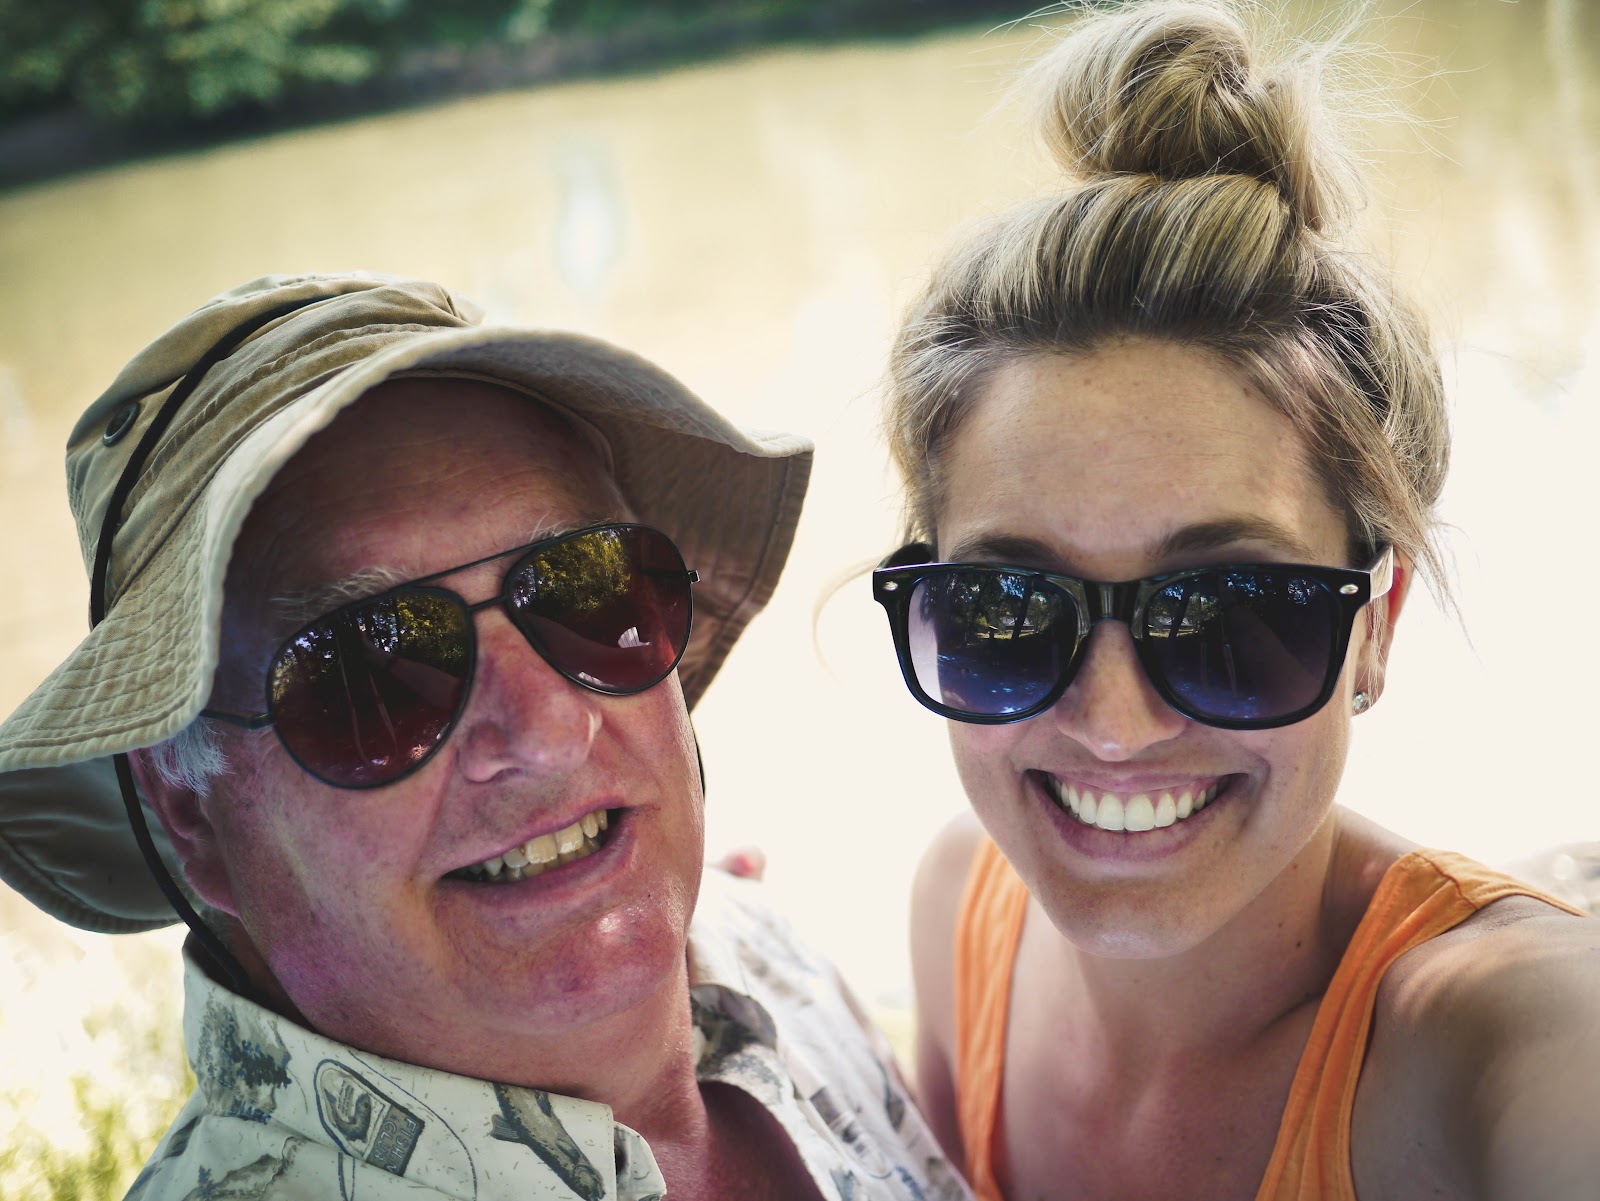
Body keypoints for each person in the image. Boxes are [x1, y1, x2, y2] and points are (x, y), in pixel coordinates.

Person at [0, 272, 967, 1201]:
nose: (548, 728)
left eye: (589, 587)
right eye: (372, 672)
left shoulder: (767, 955)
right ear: (191, 814)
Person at [869, 3, 1600, 1199]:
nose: (1113, 725)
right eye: (1008, 608)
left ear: (1375, 627)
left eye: (1230, 612)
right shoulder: (961, 903)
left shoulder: (1494, 1041)